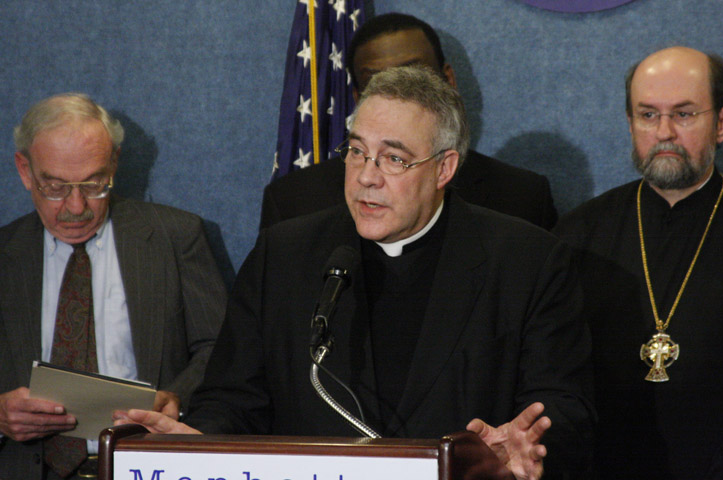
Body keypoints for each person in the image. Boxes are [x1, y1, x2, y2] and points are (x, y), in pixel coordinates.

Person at [116, 65, 594, 480]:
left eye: (394, 158)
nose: (366, 175)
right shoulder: (284, 255)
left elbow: (563, 408)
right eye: (357, 150)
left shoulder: (526, 262)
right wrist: (196, 440)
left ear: (445, 168)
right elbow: (234, 399)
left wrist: (525, 448)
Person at [553, 47, 723, 479]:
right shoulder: (577, 236)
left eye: (684, 115)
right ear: (630, 122)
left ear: (722, 123)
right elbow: (559, 382)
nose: (664, 132)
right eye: (647, 115)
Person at [0, 93, 227, 479]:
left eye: (93, 184)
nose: (75, 207)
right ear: (25, 171)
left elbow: (223, 350)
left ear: (114, 165)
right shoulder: (5, 254)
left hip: (148, 464)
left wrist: (176, 400)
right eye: (54, 187)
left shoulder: (176, 237)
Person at [260, 12, 557, 231]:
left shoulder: (521, 200)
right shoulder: (293, 205)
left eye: (416, 81)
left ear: (448, 79)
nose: (397, 99)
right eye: (377, 83)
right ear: (356, 96)